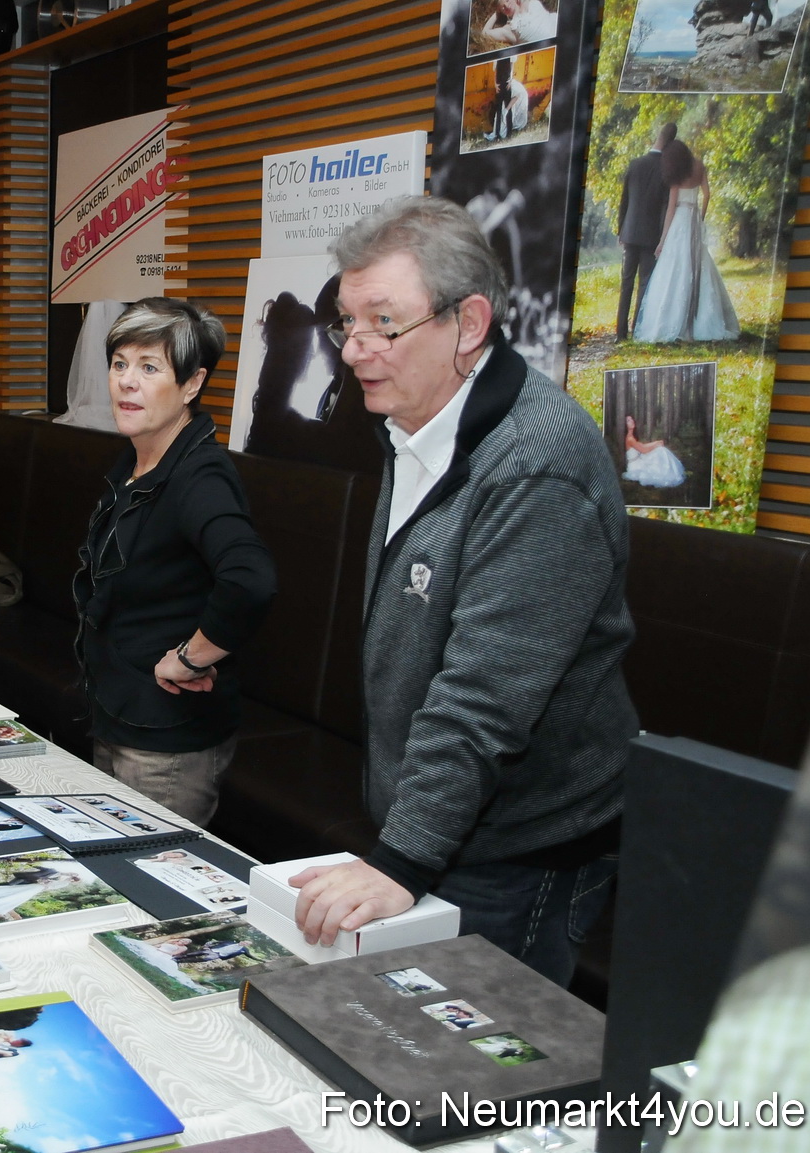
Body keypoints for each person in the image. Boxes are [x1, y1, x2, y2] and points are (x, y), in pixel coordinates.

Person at [291, 196, 635, 985]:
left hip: (519, 846)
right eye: (346, 323)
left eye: (382, 323)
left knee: (478, 1085)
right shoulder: (411, 418)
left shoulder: (537, 464)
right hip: (441, 819)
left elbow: (483, 694)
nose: (354, 350)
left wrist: (399, 858)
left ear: (469, 323)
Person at [73, 298, 277, 827]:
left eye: (149, 367)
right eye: (120, 364)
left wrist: (191, 658)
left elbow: (251, 580)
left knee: (152, 893)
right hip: (117, 713)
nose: (126, 382)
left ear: (191, 385)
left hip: (164, 746)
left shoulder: (199, 475)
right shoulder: (139, 459)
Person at [632, 138, 741, 344]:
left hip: (680, 220)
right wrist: (701, 216)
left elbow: (671, 209)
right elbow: (707, 194)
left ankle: (674, 319)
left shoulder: (677, 174)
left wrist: (663, 240)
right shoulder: (700, 165)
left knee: (676, 265)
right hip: (694, 218)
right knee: (698, 260)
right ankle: (702, 316)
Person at [616, 122, 676, 340]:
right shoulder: (666, 171)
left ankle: (620, 333)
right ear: (670, 143)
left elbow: (625, 200)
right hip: (651, 235)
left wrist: (620, 229)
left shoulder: (635, 164)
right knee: (645, 284)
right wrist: (663, 237)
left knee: (626, 283)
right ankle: (637, 330)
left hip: (630, 233)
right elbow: (664, 207)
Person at [621, 413, 686, 488]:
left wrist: (656, 442)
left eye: (632, 419)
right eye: (628, 420)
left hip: (639, 461)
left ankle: (669, 471)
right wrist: (656, 445)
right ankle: (669, 473)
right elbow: (644, 450)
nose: (632, 421)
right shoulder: (630, 439)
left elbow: (642, 446)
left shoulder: (632, 436)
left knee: (660, 449)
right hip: (635, 467)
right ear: (625, 425)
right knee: (660, 451)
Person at [482, 56, 530, 142]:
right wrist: (495, 84)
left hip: (508, 84)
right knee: (499, 110)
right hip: (500, 85)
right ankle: (497, 133)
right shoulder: (497, 58)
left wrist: (510, 80)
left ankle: (508, 133)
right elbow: (495, 71)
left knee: (509, 110)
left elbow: (512, 66)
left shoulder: (511, 57)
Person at [479, 0, 557, 47]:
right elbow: (485, 33)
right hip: (552, 46)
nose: (506, 6)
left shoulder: (527, 2)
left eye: (507, 0)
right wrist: (496, 13)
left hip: (559, 24)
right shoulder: (510, 28)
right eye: (502, 7)